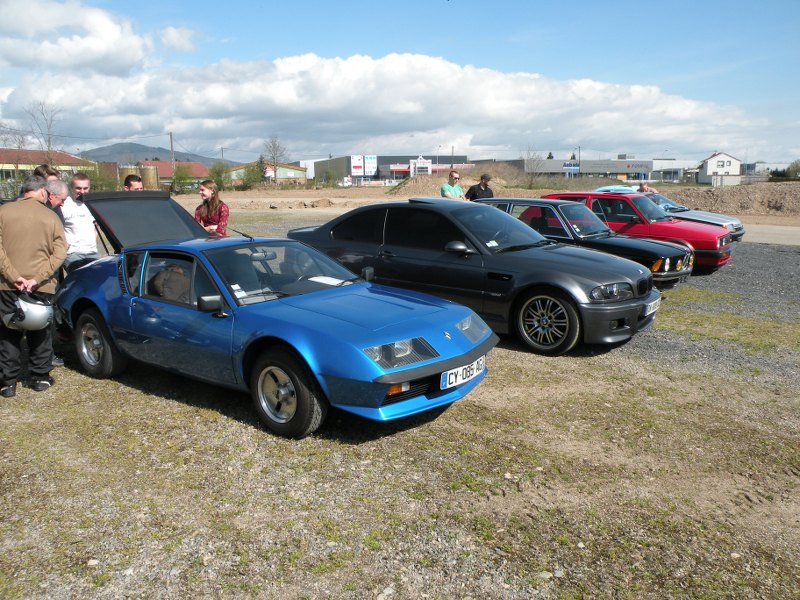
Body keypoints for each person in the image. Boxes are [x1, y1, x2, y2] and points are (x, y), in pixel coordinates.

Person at [0, 175, 67, 396]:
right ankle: (40, 377)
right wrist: (37, 278)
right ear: (42, 192)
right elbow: (60, 252)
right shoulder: (51, 217)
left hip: (6, 285)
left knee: (7, 332)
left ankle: (8, 382)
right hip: (41, 286)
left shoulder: (3, 212)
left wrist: (13, 276)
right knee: (40, 332)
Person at [61, 172, 99, 273]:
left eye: (85, 188)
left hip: (92, 252)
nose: (82, 191)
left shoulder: (93, 204)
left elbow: (96, 226)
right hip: (73, 254)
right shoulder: (63, 205)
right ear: (71, 188)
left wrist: (92, 241)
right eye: (78, 188)